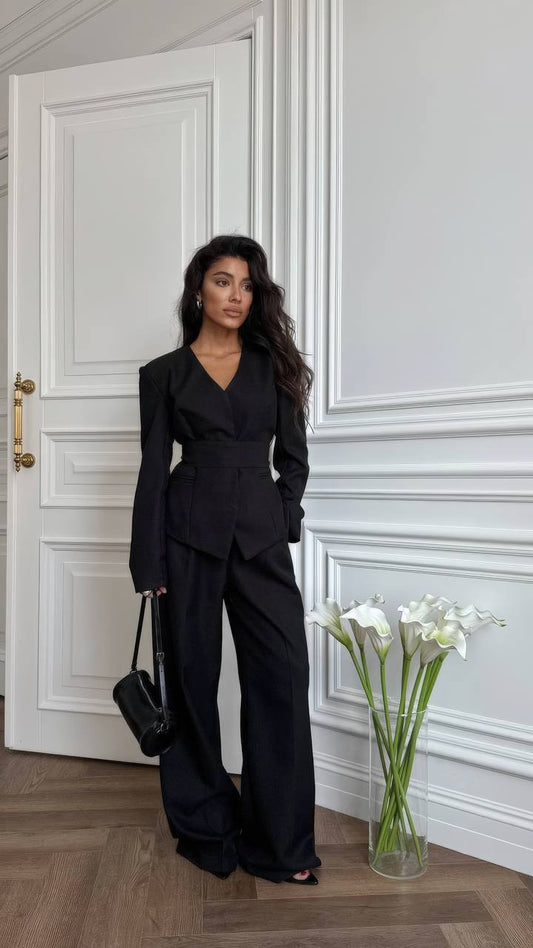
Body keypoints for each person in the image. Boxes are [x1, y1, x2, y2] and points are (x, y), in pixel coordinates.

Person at [129, 234, 321, 884]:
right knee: (189, 683)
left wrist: (283, 516)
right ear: (197, 290)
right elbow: (154, 470)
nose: (235, 295)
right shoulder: (162, 374)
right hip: (185, 537)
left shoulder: (273, 365)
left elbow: (292, 459)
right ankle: (206, 826)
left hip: (260, 540)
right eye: (222, 281)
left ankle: (282, 843)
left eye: (246, 284)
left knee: (281, 677)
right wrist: (148, 566)